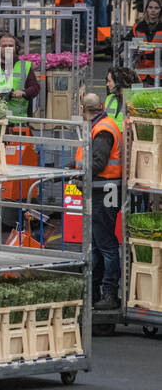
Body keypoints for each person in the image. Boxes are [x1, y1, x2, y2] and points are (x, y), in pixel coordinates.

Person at [75, 95, 123, 311]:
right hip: (104, 189)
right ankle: (96, 292)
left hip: (104, 190)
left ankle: (109, 293)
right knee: (97, 244)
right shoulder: (102, 125)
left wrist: (81, 177)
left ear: (83, 108)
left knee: (105, 244)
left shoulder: (102, 130)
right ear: (101, 107)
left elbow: (98, 162)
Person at [131, 0, 162, 84]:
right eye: (150, 7)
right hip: (140, 73)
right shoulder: (137, 27)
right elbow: (126, 44)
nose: (153, 10)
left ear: (160, 10)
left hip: (159, 73)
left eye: (156, 8)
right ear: (146, 9)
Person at [105, 66, 136, 132]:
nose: (107, 84)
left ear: (118, 83)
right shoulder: (109, 98)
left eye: (109, 81)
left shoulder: (133, 100)